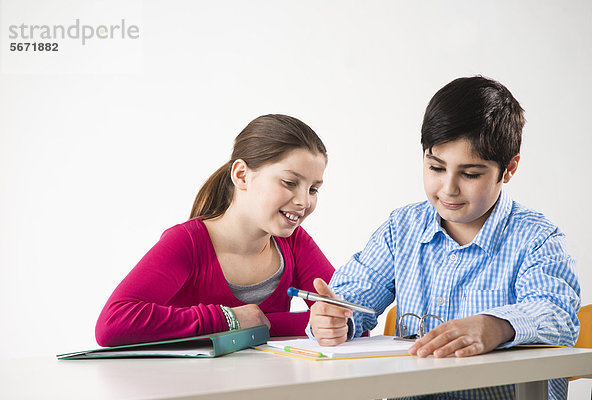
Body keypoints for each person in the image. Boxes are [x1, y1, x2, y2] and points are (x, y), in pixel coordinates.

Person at [308, 77, 580, 400]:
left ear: (508, 169)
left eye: (470, 174)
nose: (449, 188)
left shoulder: (536, 237)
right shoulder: (402, 229)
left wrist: (496, 326)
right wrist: (334, 319)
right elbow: (351, 299)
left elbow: (557, 314)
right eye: (436, 167)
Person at [96, 114, 335, 347]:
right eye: (290, 183)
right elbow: (113, 323)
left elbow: (347, 317)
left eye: (313, 189)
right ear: (241, 175)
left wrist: (262, 322)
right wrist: (229, 319)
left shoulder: (295, 244)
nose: (304, 201)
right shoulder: (187, 242)